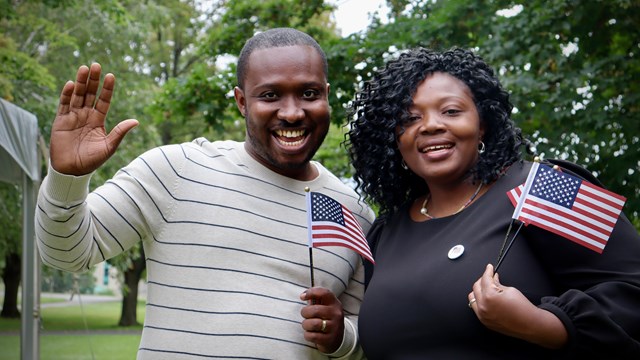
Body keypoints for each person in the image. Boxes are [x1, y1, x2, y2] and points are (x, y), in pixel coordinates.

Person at [35, 28, 374, 359]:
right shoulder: (176, 169)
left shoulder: (355, 213)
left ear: (327, 95)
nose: (291, 112)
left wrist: (342, 337)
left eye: (309, 94)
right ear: (242, 101)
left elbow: (371, 335)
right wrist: (67, 177)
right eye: (270, 95)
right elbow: (65, 254)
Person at [345, 47, 640, 358]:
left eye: (451, 111)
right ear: (394, 138)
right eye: (409, 118)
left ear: (482, 122)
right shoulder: (384, 233)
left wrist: (543, 324)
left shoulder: (542, 185)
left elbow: (634, 289)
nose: (430, 125)